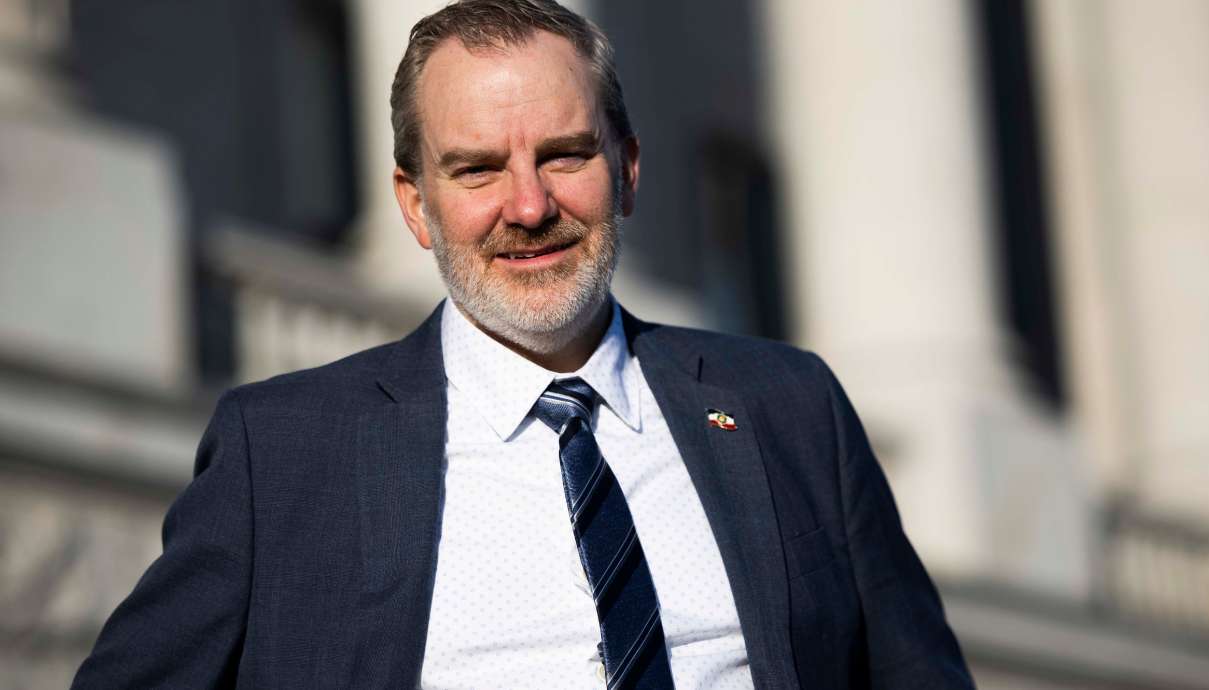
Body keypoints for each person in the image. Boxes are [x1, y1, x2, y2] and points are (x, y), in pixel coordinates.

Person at [73, 1, 974, 688]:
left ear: (625, 170)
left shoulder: (791, 409)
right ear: (416, 204)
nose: (530, 207)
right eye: (477, 169)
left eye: (564, 155)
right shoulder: (285, 455)